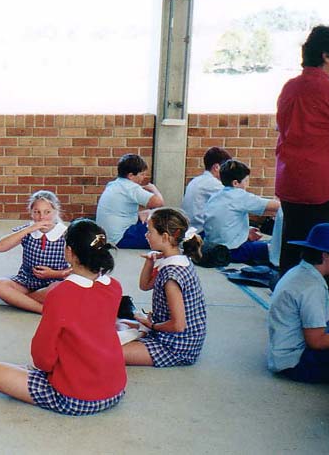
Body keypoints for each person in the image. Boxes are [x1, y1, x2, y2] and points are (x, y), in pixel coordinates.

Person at [0, 219, 126, 416]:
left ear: (69, 251)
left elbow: (42, 357)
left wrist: (47, 370)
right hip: (115, 390)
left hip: (75, 397)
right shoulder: (114, 286)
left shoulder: (61, 294)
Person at [276, 24, 329, 312]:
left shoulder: (290, 87)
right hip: (321, 182)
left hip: (290, 179)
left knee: (292, 243)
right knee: (325, 249)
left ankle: (284, 300)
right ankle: (322, 304)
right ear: (326, 55)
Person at [123, 208, 207, 367]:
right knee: (120, 325)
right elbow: (145, 285)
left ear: (165, 237)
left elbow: (178, 325)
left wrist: (151, 325)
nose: (146, 235)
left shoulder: (171, 276)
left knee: (107, 352)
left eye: (150, 231)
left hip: (175, 346)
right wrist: (150, 261)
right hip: (167, 334)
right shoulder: (176, 258)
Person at [267, 223, 329, 384]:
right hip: (297, 362)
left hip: (284, 352)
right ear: (326, 256)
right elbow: (316, 341)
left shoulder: (300, 272)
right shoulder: (311, 287)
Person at [0, 190, 71, 313]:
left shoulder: (67, 233)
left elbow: (81, 267)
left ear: (56, 211)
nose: (42, 217)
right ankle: (41, 309)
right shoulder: (28, 230)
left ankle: (15, 300)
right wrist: (29, 229)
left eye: (47, 212)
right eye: (37, 212)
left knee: (60, 289)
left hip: (52, 283)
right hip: (26, 282)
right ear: (31, 213)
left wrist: (55, 274)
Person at [203, 159, 280, 264]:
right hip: (234, 251)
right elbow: (275, 207)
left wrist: (245, 232)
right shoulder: (239, 195)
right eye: (246, 181)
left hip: (213, 248)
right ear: (235, 183)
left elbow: (226, 222)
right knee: (275, 247)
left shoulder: (215, 196)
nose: (247, 185)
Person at [96, 153, 164, 249]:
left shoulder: (113, 184)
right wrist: (153, 188)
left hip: (108, 237)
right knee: (162, 228)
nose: (144, 177)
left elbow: (122, 209)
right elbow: (159, 203)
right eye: (142, 174)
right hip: (121, 238)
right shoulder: (131, 188)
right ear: (131, 175)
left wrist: (140, 214)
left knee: (149, 217)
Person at [181, 146, 232, 233]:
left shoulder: (196, 180)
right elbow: (236, 200)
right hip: (201, 232)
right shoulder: (212, 183)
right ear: (216, 167)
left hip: (190, 230)